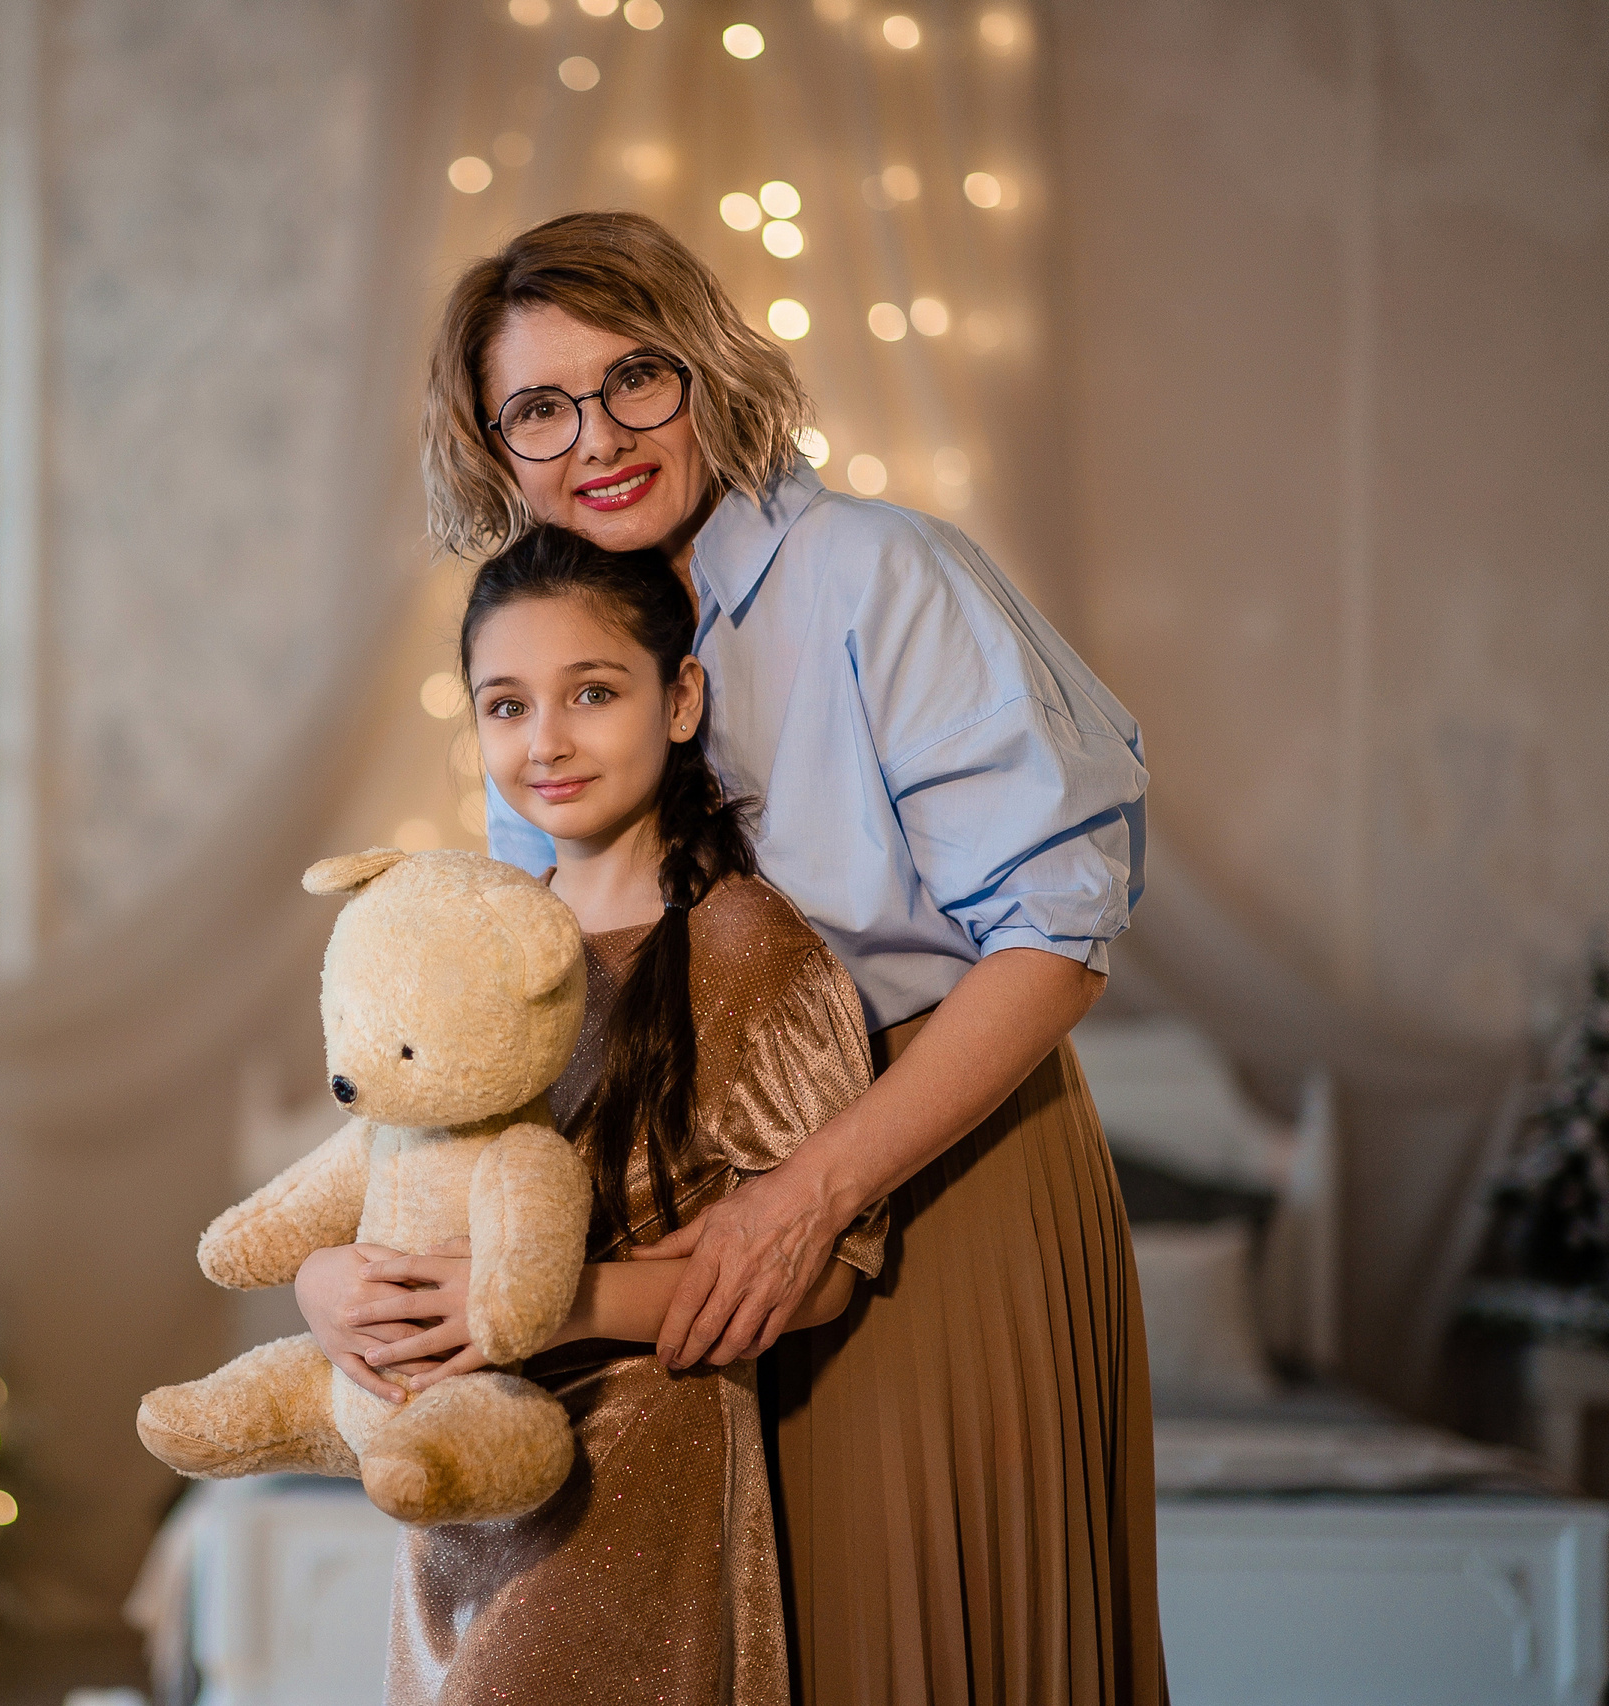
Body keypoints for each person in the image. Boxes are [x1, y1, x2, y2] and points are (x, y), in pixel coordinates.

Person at [300, 210, 1164, 1704]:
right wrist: (346, 1267)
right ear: (492, 445)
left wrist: (815, 1190)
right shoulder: (552, 659)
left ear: (703, 367)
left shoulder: (878, 576)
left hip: (938, 1163)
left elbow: (1057, 932)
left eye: (637, 378)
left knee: (917, 1642)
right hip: (691, 1199)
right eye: (541, 408)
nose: (601, 437)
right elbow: (520, 1028)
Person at [346, 521, 879, 1704]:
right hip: (460, 1494)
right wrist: (326, 1288)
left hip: (634, 1481)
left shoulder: (744, 943)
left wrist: (545, 1305)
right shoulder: (473, 938)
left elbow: (823, 1268)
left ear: (679, 696)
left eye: (591, 691)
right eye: (505, 704)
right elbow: (380, 1165)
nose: (546, 740)